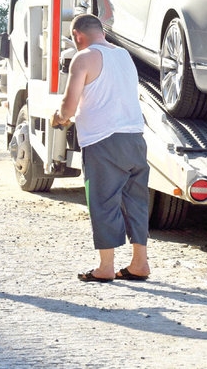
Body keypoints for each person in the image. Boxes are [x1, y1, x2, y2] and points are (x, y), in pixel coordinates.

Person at [52, 14, 150, 283]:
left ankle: (105, 267)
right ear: (101, 32)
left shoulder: (83, 58)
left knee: (103, 202)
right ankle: (140, 263)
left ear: (77, 35)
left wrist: (59, 118)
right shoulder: (124, 55)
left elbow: (68, 107)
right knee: (135, 202)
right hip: (134, 137)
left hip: (103, 141)